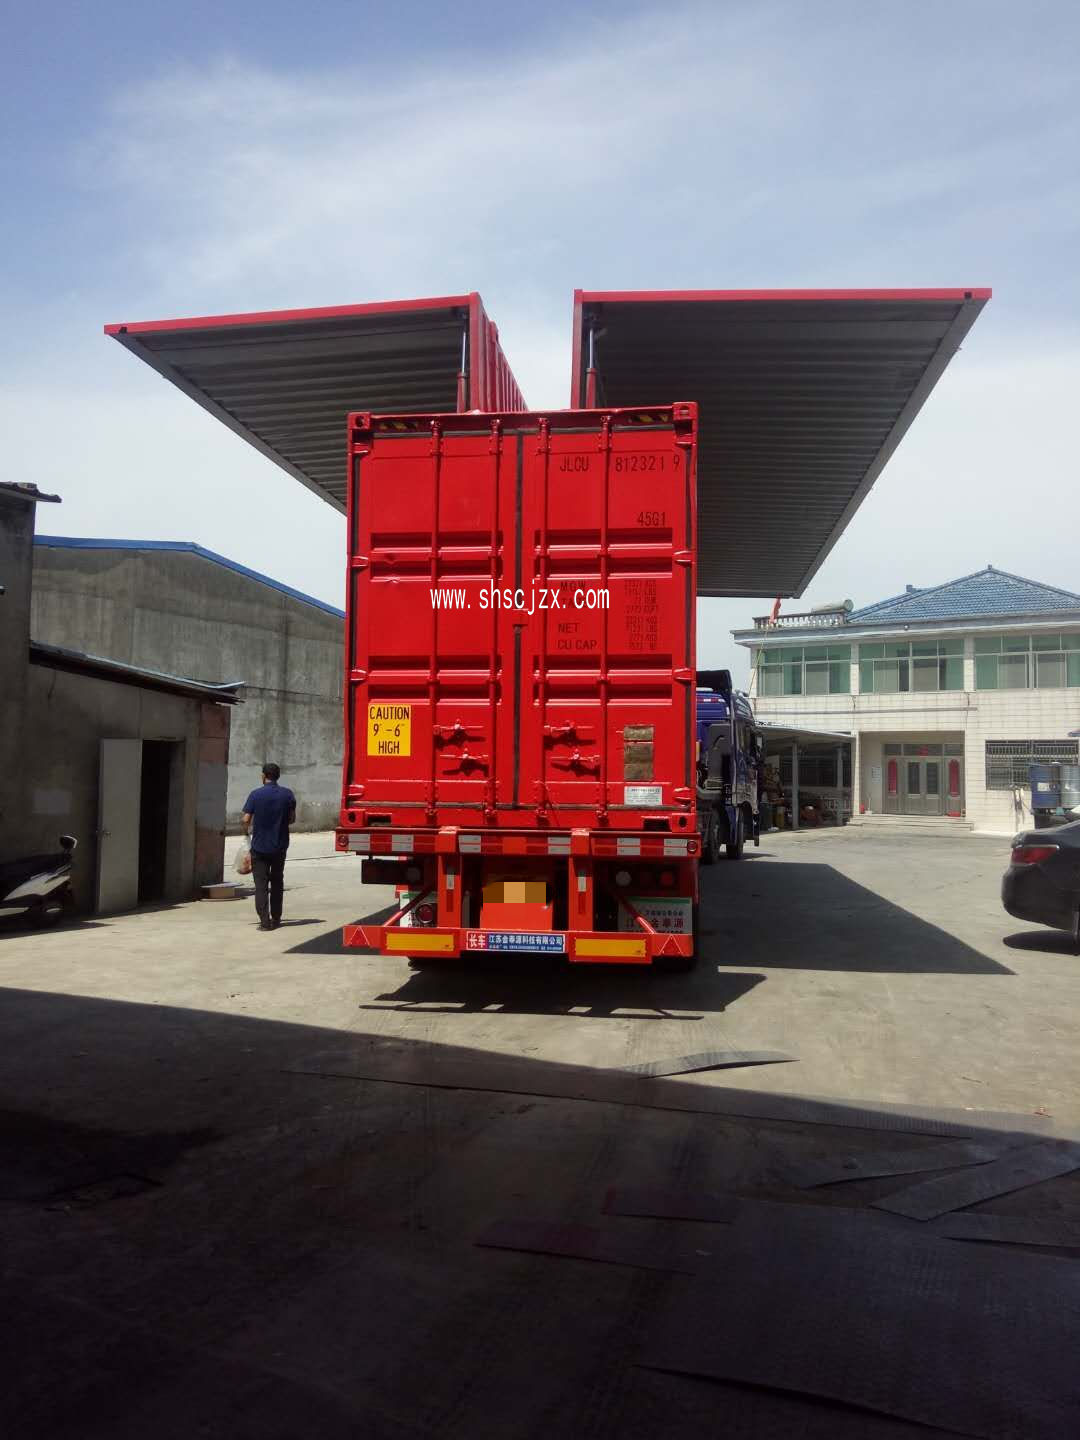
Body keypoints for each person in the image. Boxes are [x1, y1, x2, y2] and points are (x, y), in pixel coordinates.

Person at [241, 763, 296, 931]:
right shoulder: (288, 794)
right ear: (278, 776)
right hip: (280, 846)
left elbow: (245, 819)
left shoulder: (255, 794)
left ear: (263, 776)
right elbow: (292, 819)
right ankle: (277, 918)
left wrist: (246, 834)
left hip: (259, 847)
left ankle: (265, 922)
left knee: (261, 885)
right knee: (277, 882)